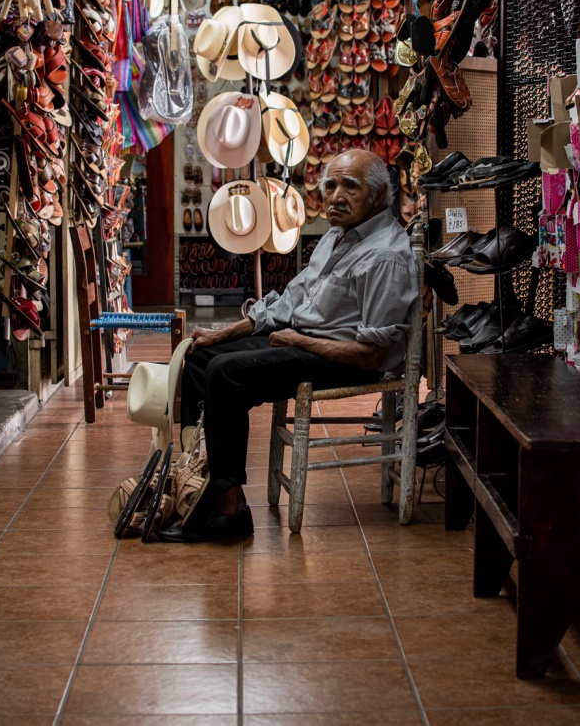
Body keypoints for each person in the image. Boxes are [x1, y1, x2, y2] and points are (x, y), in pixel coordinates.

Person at [158, 150, 419, 543]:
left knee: (226, 374)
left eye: (351, 185)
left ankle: (230, 510)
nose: (335, 196)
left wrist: (298, 340)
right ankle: (201, 477)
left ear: (380, 195)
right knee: (200, 359)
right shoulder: (337, 236)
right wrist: (222, 334)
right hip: (306, 342)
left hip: (345, 359)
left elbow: (372, 355)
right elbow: (289, 301)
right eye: (330, 185)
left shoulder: (385, 256)